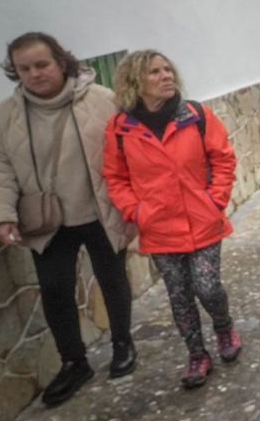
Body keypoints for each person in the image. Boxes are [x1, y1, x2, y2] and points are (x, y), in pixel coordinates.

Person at [0, 32, 137, 407]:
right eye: (24, 68)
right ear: (15, 72)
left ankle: (122, 343)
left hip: (100, 210)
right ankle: (73, 361)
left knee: (112, 277)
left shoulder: (102, 100)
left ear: (61, 62)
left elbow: (130, 150)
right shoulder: (7, 115)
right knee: (54, 289)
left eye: (41, 64)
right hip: (47, 219)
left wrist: (136, 202)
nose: (34, 74)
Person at [103, 50, 241, 388]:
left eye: (168, 70)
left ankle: (223, 326)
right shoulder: (121, 129)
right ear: (136, 81)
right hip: (160, 228)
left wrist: (215, 199)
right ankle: (197, 354)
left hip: (203, 221)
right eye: (154, 72)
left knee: (207, 288)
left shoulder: (195, 115)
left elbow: (222, 159)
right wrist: (136, 211)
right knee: (179, 295)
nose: (166, 76)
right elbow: (115, 177)